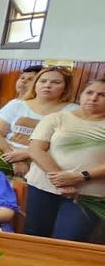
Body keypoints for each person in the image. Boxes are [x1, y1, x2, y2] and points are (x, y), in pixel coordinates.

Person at [24, 78, 105, 241]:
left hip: (88, 194)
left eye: (102, 95)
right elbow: (36, 149)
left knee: (68, 241)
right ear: (81, 94)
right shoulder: (57, 118)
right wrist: (62, 179)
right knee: (34, 237)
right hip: (44, 186)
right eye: (89, 92)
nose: (93, 98)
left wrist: (81, 176)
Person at [0, 66, 75, 176]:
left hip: (42, 168)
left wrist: (28, 153)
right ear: (36, 84)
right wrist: (15, 159)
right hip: (2, 161)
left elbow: (67, 145)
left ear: (66, 88)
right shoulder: (17, 105)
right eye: (43, 81)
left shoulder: (72, 111)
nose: (47, 85)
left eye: (56, 82)